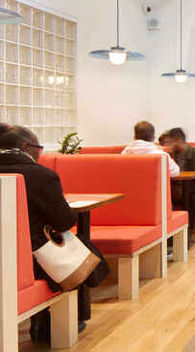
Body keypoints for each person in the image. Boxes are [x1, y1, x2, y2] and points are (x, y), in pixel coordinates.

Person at [0, 124, 108, 343]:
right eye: (39, 148)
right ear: (26, 147)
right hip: (25, 261)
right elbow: (64, 221)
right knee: (79, 252)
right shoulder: (41, 176)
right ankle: (53, 324)